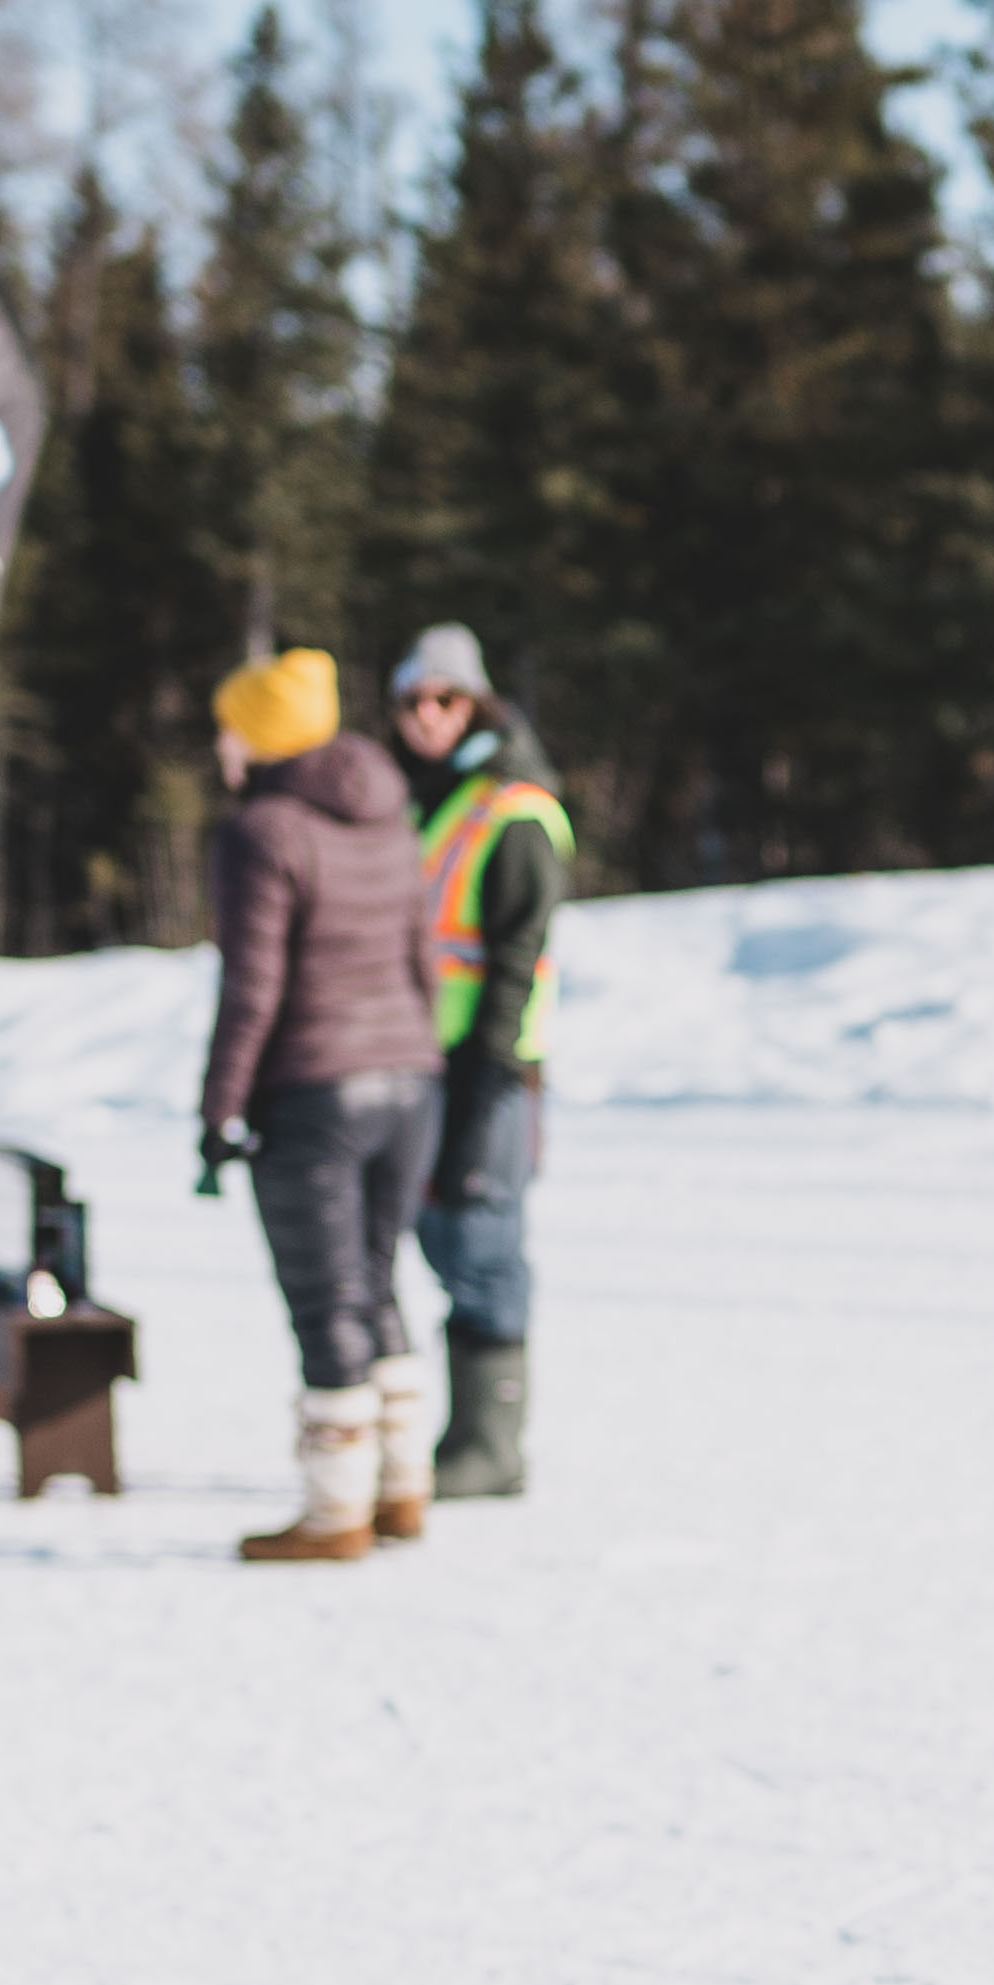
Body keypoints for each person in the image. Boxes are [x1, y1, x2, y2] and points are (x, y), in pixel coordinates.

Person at [195, 644, 444, 1562]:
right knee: (376, 1279)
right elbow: (422, 958)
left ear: (262, 737)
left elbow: (252, 990)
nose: (220, 744)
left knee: (327, 1298)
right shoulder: (390, 815)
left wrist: (219, 1109)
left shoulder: (264, 831)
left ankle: (336, 1512)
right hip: (409, 1080)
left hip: (316, 1089)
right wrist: (423, 1059)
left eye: (229, 727)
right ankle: (401, 1487)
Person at [387, 621, 574, 1506]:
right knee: (440, 1238)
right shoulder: (425, 799)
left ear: (478, 704)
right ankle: (464, 1435)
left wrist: (488, 1069)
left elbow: (514, 960)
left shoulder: (514, 809)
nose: (428, 715)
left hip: (492, 1069)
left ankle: (491, 1447)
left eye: (446, 699)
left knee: (483, 1242)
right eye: (413, 701)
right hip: (421, 1060)